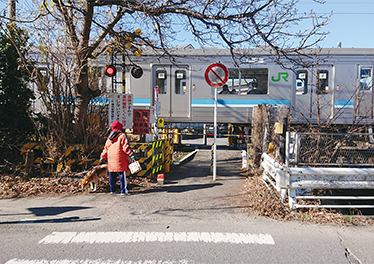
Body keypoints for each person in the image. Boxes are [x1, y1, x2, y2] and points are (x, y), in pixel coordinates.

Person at [100, 120, 136, 195]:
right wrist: (131, 154)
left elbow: (106, 148)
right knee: (122, 175)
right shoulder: (122, 136)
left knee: (112, 175)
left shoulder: (109, 137)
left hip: (111, 159)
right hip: (120, 159)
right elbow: (126, 147)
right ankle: (123, 190)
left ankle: (113, 190)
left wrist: (102, 157)